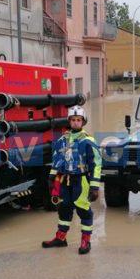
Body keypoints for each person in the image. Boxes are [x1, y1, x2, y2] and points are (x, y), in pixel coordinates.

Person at [42, 106, 101, 255]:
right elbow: (57, 161)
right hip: (63, 180)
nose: (75, 122)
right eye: (73, 120)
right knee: (64, 208)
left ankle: (86, 241)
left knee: (83, 210)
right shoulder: (62, 140)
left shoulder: (88, 141)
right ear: (69, 121)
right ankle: (60, 238)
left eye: (78, 120)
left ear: (83, 121)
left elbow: (97, 164)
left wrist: (94, 186)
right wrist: (51, 178)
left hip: (80, 181)